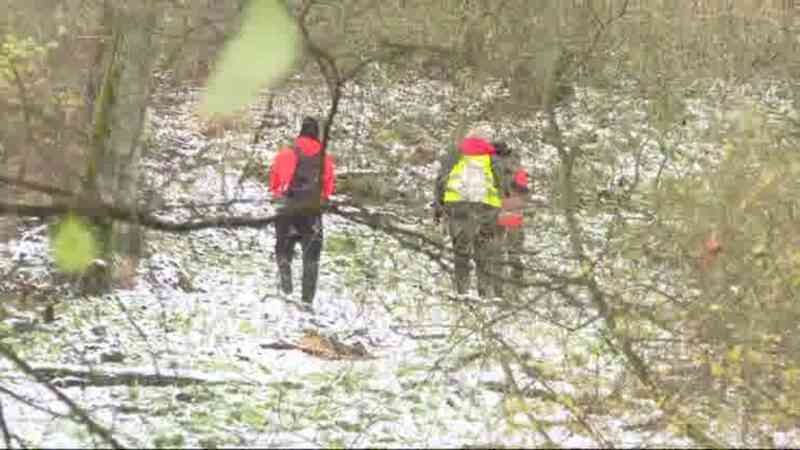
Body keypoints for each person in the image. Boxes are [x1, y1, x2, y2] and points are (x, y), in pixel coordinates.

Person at [434, 124, 507, 298]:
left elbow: (440, 182)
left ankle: (462, 292)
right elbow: (501, 186)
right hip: (486, 209)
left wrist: (438, 209)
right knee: (483, 252)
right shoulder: (493, 158)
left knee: (461, 252)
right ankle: (485, 294)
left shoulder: (453, 155)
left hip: (458, 208)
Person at [268, 117, 335, 304]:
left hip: (287, 209)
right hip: (311, 213)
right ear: (317, 136)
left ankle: (286, 288)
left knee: (283, 248)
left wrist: (277, 195)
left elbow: (273, 184)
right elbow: (328, 189)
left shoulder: (284, 155)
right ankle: (307, 300)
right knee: (311, 258)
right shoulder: (326, 160)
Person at [494, 141, 530, 291]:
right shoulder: (515, 163)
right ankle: (510, 280)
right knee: (509, 245)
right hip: (507, 205)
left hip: (505, 205)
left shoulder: (492, 163)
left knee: (505, 245)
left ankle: (506, 282)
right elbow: (524, 188)